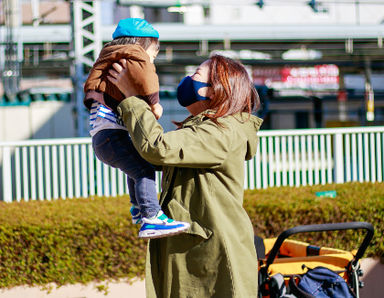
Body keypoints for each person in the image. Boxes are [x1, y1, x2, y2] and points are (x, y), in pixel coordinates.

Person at [106, 54, 263, 297]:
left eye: (196, 75)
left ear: (215, 90)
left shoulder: (222, 132)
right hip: (200, 254)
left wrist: (132, 99)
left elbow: (157, 148)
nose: (188, 80)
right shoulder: (206, 128)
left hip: (213, 257)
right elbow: (154, 156)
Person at [83, 18, 190, 239]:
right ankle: (151, 216)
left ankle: (138, 208)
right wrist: (154, 103)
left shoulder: (106, 58)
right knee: (143, 170)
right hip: (112, 135)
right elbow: (147, 77)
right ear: (143, 44)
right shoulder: (135, 55)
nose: (153, 59)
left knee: (137, 167)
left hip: (104, 138)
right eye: (154, 53)